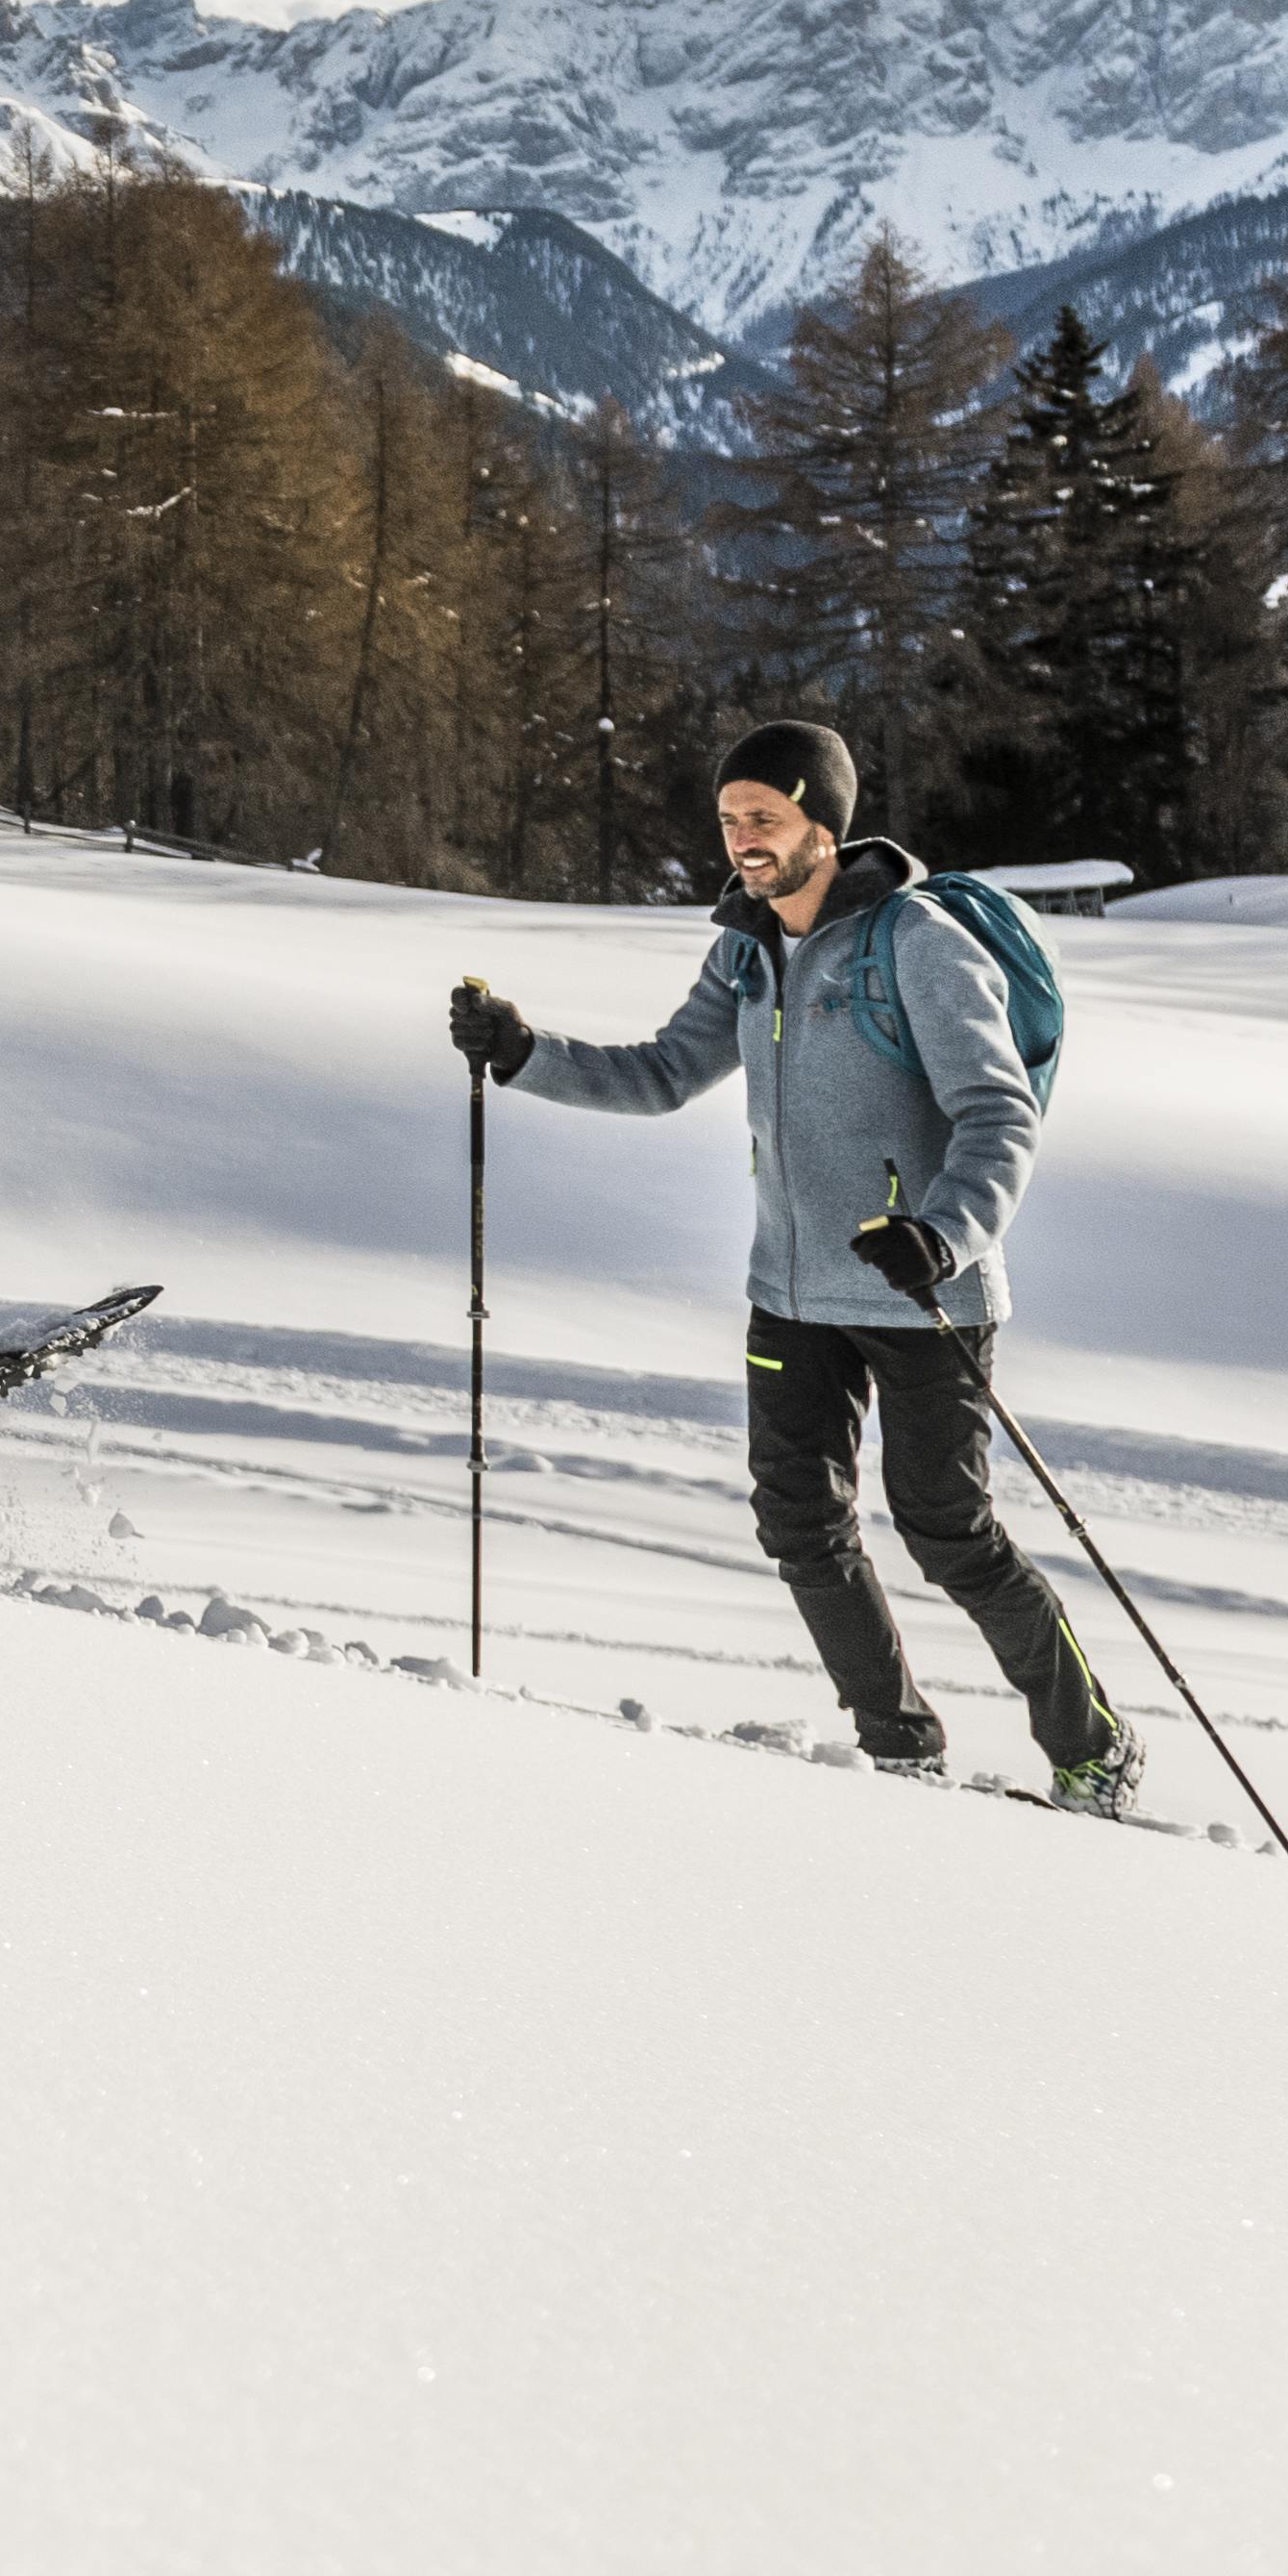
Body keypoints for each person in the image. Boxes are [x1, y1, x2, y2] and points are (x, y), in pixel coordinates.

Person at [449, 722, 1141, 1812]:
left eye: (762, 818)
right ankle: (896, 1743)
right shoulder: (743, 946)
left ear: (824, 820)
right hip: (788, 1293)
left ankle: (1091, 1747)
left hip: (924, 1293)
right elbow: (666, 1072)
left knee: (946, 1533)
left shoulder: (914, 940)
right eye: (728, 822)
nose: (741, 842)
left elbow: (996, 1114)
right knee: (799, 1526)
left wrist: (942, 1232)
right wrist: (525, 1055)